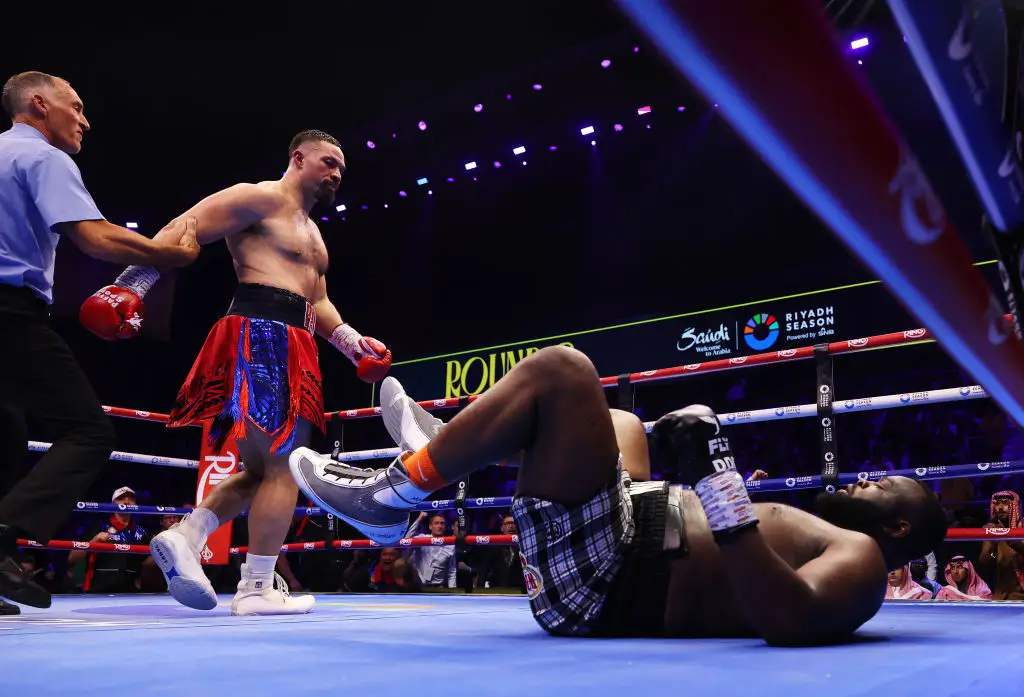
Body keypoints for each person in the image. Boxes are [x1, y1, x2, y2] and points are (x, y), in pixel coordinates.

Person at [289, 347, 948, 645]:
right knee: (623, 424)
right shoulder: (838, 535)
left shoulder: (861, 561)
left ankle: (395, 492)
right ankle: (449, 447)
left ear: (897, 528)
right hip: (626, 536)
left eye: (883, 486)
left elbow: (788, 616)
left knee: (565, 371)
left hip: (614, 582)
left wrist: (717, 481)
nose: (866, 478)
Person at [140, 130, 393, 616]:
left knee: (261, 469)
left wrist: (353, 344)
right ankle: (256, 587)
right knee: (285, 466)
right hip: (264, 331)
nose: (337, 173)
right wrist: (131, 285)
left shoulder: (313, 234)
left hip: (290, 337)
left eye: (342, 166)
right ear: (298, 158)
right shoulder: (260, 198)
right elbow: (185, 226)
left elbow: (316, 302)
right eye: (328, 162)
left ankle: (188, 535)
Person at [0, 71, 199, 609]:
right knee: (88, 432)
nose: (85, 120)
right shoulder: (42, 157)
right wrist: (169, 257)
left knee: (5, 441)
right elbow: (94, 237)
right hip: (9, 312)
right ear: (39, 104)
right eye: (77, 106)